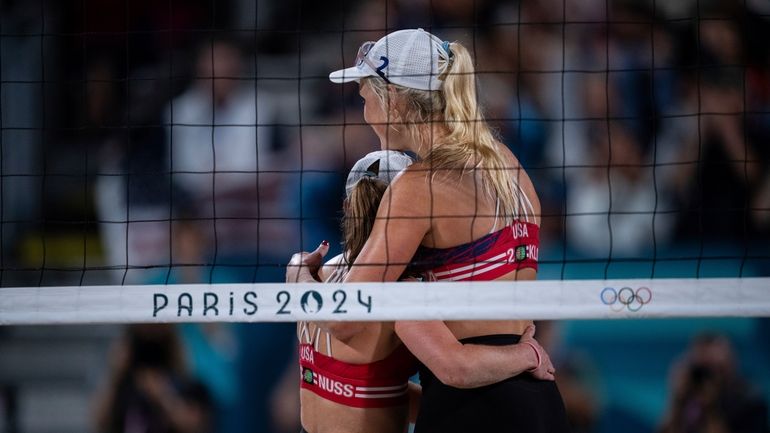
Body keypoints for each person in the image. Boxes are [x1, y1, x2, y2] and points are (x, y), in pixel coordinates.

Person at [291, 29, 570, 432]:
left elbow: (346, 315)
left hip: (472, 403)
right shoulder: (508, 166)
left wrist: (297, 275)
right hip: (537, 401)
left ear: (397, 101)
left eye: (366, 96)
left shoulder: (418, 186)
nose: (364, 109)